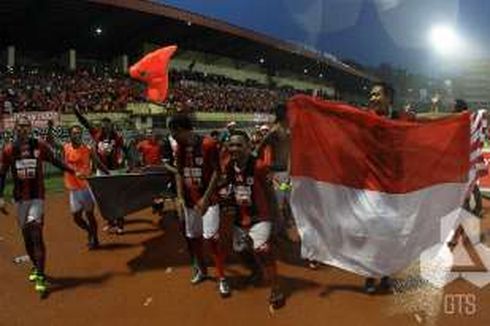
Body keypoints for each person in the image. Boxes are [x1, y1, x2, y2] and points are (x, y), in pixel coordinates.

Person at [0, 117, 76, 298]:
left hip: (37, 197)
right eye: (21, 126)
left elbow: (55, 161)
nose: (24, 129)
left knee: (36, 233)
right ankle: (36, 266)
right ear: (15, 128)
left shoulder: (39, 145)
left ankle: (41, 276)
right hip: (19, 199)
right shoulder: (9, 150)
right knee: (26, 237)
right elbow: (1, 175)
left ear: (30, 128)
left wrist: (72, 171)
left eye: (27, 126)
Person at [168, 113, 231, 298]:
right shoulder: (179, 148)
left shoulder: (208, 144)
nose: (173, 137)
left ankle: (221, 278)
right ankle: (202, 270)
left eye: (174, 133)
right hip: (189, 200)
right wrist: (180, 198)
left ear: (182, 129)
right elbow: (179, 172)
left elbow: (216, 173)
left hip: (208, 201)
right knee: (193, 238)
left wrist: (205, 197)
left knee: (212, 239)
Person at [225, 130, 285, 309]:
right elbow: (230, 187)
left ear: (248, 146)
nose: (234, 148)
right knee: (240, 250)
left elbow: (270, 194)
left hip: (260, 216)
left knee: (263, 251)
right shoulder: (228, 166)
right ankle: (256, 270)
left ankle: (276, 288)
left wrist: (276, 217)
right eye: (231, 145)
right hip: (240, 217)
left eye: (238, 145)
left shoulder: (259, 166)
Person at [48, 124, 110, 250]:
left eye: (79, 133)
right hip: (73, 188)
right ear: (70, 135)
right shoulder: (66, 147)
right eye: (74, 133)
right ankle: (89, 232)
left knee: (90, 215)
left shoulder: (87, 148)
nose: (77, 135)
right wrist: (50, 128)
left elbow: (98, 163)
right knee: (76, 217)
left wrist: (109, 175)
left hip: (86, 187)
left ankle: (94, 238)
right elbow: (51, 142)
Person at [363, 82, 397, 294]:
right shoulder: (364, 118)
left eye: (376, 94)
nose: (372, 97)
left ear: (388, 98)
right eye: (371, 95)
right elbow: (337, 114)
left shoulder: (400, 119)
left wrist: (462, 117)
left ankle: (385, 275)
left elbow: (424, 119)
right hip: (370, 187)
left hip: (394, 189)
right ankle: (369, 276)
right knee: (371, 233)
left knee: (388, 235)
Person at [73, 107, 125, 234]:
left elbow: (124, 150)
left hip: (113, 170)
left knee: (115, 198)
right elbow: (85, 122)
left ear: (111, 126)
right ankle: (110, 222)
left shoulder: (117, 137)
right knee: (102, 199)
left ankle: (120, 224)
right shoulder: (96, 133)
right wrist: (76, 112)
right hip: (101, 172)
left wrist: (124, 162)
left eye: (107, 125)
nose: (105, 128)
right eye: (103, 125)